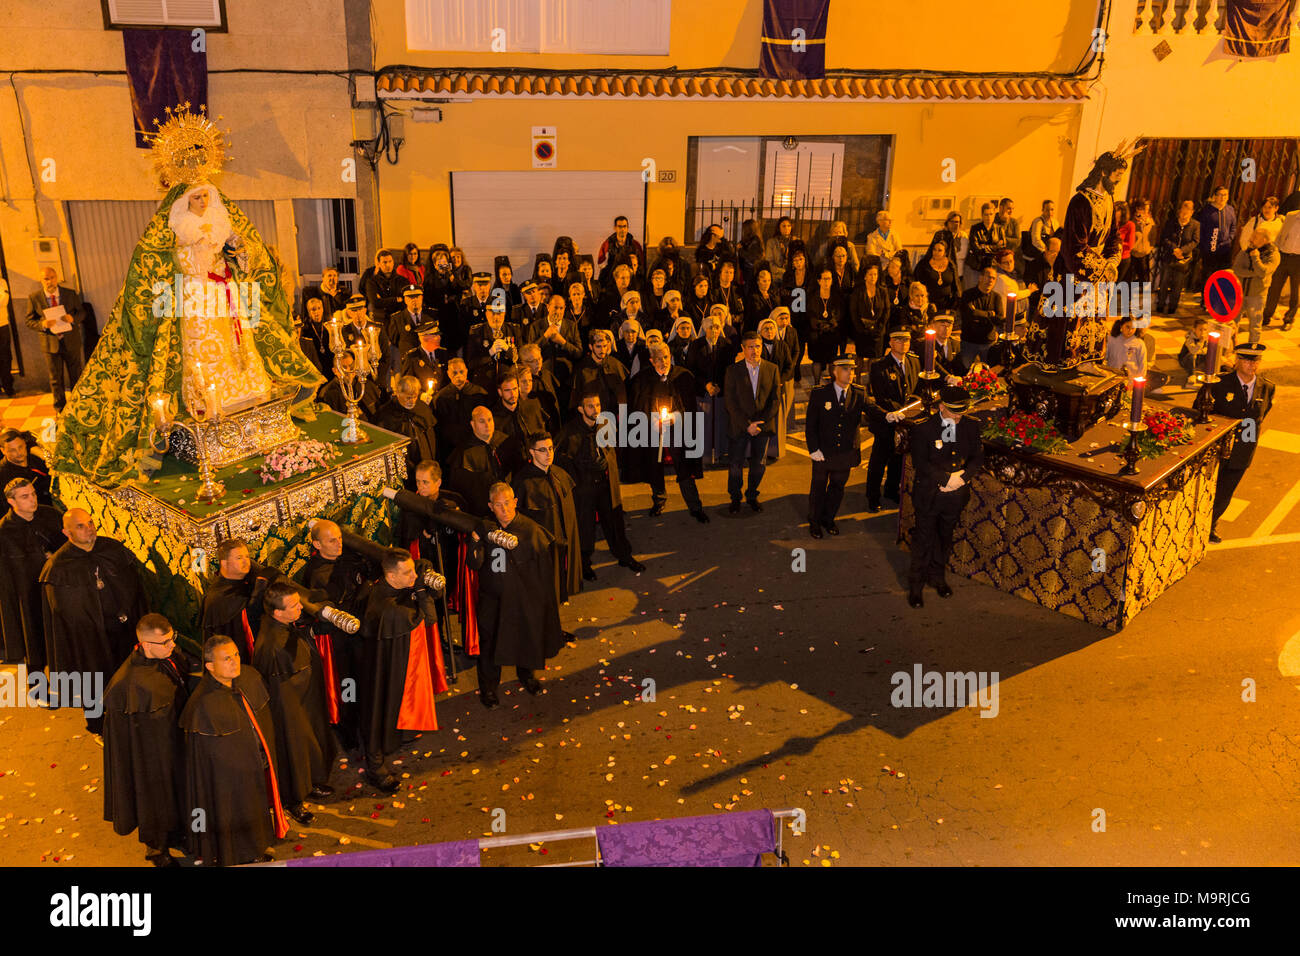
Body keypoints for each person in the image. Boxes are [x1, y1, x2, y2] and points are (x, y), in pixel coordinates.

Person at [179, 635, 288, 866]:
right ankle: (239, 854)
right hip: (226, 782)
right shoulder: (201, 705)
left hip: (254, 768)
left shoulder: (247, 679)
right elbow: (206, 762)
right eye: (226, 658)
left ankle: (254, 846)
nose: (235, 662)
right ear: (210, 666)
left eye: (236, 655)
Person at [40, 509, 147, 731]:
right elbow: (63, 612)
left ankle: (128, 717)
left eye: (90, 522)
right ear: (66, 532)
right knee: (92, 680)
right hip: (88, 639)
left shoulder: (111, 548)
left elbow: (134, 586)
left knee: (128, 675)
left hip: (122, 630)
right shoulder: (58, 567)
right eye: (80, 526)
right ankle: (97, 725)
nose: (89, 528)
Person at [102, 613, 194, 866]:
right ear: (144, 645)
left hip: (172, 744)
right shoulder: (127, 685)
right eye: (165, 642)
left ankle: (176, 834)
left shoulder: (168, 657)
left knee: (176, 793)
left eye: (171, 638)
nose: (172, 645)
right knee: (153, 799)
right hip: (148, 756)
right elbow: (124, 740)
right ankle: (156, 848)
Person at [467, 483, 565, 708]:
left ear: (515, 502)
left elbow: (544, 572)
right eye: (498, 505)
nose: (504, 509)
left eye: (508, 503)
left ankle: (527, 676)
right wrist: (474, 539)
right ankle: (489, 689)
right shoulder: (485, 528)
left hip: (522, 598)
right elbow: (473, 563)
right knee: (489, 642)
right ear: (491, 506)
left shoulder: (531, 530)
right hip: (492, 597)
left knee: (525, 635)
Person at [253, 581, 339, 825]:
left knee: (308, 747)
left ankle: (310, 783)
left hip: (303, 701)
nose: (300, 607)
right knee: (292, 753)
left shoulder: (285, 625)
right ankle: (293, 801)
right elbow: (276, 689)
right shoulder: (270, 645)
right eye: (293, 605)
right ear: (277, 613)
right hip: (288, 710)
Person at [358, 549, 444, 787]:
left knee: (394, 703)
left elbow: (421, 566)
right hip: (381, 666)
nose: (413, 576)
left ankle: (400, 734)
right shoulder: (389, 608)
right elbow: (428, 618)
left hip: (395, 656)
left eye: (414, 572)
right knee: (379, 707)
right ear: (391, 576)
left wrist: (423, 572)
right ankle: (375, 767)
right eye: (407, 573)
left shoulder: (394, 583)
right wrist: (419, 590)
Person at [556, 390, 655, 584]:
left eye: (598, 405)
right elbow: (559, 458)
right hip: (584, 487)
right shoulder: (569, 431)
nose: (595, 410)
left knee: (614, 520)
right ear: (580, 409)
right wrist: (582, 464)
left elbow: (611, 447)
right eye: (590, 406)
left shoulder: (605, 424)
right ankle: (584, 563)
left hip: (605, 484)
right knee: (585, 526)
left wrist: (605, 459)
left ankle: (624, 556)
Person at [301, 519, 376, 752]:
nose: (338, 544)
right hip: (339, 642)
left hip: (359, 632)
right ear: (317, 544)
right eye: (332, 541)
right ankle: (349, 731)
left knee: (364, 680)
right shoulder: (317, 573)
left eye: (340, 539)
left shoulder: (346, 558)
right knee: (348, 685)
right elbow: (332, 596)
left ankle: (365, 724)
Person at [907, 385, 983, 608]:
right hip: (930, 494)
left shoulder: (971, 426)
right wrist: (944, 479)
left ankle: (938, 578)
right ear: (941, 407)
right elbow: (920, 463)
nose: (958, 417)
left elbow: (977, 457)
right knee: (924, 539)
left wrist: (962, 478)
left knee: (944, 537)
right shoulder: (924, 429)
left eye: (961, 411)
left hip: (955, 495)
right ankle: (916, 585)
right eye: (953, 412)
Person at [627, 342, 706, 521]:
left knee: (684, 467)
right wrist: (650, 422)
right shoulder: (642, 380)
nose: (663, 362)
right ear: (651, 361)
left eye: (666, 357)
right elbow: (637, 409)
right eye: (658, 359)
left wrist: (676, 418)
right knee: (654, 466)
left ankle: (695, 506)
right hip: (653, 431)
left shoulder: (683, 376)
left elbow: (690, 408)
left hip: (678, 431)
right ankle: (659, 500)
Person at [1205, 343, 1274, 543]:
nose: (1252, 365)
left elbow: (1260, 415)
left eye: (1256, 360)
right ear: (1237, 361)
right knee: (1209, 487)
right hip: (1218, 446)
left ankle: (1211, 524)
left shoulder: (1267, 387)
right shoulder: (1219, 383)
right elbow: (1202, 410)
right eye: (1247, 360)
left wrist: (1247, 440)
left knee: (1225, 492)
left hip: (1243, 449)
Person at [513, 431, 586, 605]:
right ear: (531, 452)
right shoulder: (522, 482)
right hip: (542, 550)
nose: (549, 454)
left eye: (551, 449)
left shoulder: (560, 474)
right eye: (543, 450)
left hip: (563, 542)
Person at [0, 478, 62, 667]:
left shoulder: (51, 515)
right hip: (27, 596)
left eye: (33, 493)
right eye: (25, 496)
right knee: (33, 643)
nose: (33, 499)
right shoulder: (4, 531)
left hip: (57, 590)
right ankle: (38, 688)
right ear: (12, 501)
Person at [805, 354, 868, 538]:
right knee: (818, 488)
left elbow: (872, 409)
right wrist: (813, 449)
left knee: (837, 488)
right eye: (845, 369)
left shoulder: (858, 393)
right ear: (835, 371)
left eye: (852, 370)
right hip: (823, 452)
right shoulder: (820, 393)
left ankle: (828, 519)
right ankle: (815, 522)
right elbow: (811, 424)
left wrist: (889, 415)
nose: (850, 373)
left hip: (845, 452)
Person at [200, 538, 289, 662]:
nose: (246, 562)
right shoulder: (218, 598)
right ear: (224, 564)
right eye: (239, 558)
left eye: (247, 557)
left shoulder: (244, 581)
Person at [723, 332, 781, 514]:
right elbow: (730, 401)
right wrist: (747, 424)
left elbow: (775, 400)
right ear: (743, 348)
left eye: (757, 346)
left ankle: (752, 496)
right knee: (735, 465)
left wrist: (759, 424)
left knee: (759, 464)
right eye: (750, 347)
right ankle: (735, 497)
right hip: (740, 425)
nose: (754, 350)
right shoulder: (733, 370)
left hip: (762, 427)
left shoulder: (772, 369)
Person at [865, 327, 921, 512]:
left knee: (898, 459)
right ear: (890, 343)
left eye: (906, 341)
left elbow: (915, 390)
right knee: (878, 462)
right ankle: (873, 497)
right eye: (898, 340)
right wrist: (899, 411)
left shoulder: (914, 362)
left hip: (905, 422)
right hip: (886, 422)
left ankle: (891, 490)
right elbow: (881, 397)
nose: (903, 344)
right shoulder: (879, 366)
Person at [24, 267, 85, 412]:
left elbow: (82, 313)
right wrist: (42, 324)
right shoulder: (34, 297)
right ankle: (60, 409)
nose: (50, 281)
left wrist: (73, 319)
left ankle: (78, 406)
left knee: (76, 374)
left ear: (56, 278)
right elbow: (29, 321)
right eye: (46, 278)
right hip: (50, 344)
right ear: (41, 280)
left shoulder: (69, 294)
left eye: (52, 277)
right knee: (55, 379)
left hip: (71, 341)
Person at [686, 313, 736, 466]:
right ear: (704, 329)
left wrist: (720, 385)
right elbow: (691, 368)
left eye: (716, 327)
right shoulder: (696, 345)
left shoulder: (726, 344)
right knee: (703, 422)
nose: (714, 330)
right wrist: (705, 384)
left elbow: (729, 367)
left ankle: (720, 452)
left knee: (720, 422)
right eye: (710, 328)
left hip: (720, 391)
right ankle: (704, 454)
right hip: (702, 391)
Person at [446, 406, 511, 515]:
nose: (487, 425)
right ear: (473, 424)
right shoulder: (464, 452)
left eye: (489, 420)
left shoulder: (506, 442)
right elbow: (461, 489)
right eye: (482, 421)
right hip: (481, 510)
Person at [376, 375, 439, 485]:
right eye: (408, 397)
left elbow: (431, 436)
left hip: (424, 461)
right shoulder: (386, 413)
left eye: (415, 396)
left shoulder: (421, 407)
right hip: (403, 466)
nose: (412, 401)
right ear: (398, 394)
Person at [492, 370, 547, 474]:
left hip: (535, 466)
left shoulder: (532, 407)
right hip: (510, 471)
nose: (512, 394)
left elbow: (542, 433)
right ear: (500, 392)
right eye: (507, 390)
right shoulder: (493, 418)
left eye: (514, 389)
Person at [433, 358, 490, 458]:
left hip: (475, 445)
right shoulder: (441, 397)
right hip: (449, 449)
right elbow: (439, 428)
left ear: (467, 371)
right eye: (454, 372)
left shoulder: (479, 393)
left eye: (461, 372)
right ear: (448, 374)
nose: (458, 376)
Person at [1232, 227, 1279, 345]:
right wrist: (1253, 274)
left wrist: (1255, 258)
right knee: (1232, 323)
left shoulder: (1273, 254)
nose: (1251, 239)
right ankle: (1229, 348)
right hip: (1240, 292)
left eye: (1255, 237)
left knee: (1255, 326)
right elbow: (1237, 269)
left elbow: (1263, 272)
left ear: (1264, 239)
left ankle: (1252, 354)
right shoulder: (1246, 250)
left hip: (1257, 296)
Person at [466, 299, 521, 391]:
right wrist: (490, 353)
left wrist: (508, 349)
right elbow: (471, 363)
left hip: (508, 385)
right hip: (484, 384)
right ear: (486, 313)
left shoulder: (514, 330)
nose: (496, 317)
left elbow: (520, 360)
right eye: (492, 313)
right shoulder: (476, 332)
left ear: (504, 313)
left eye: (499, 313)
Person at [529, 293, 584, 384]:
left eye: (561, 308)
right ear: (548, 307)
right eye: (555, 307)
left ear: (565, 308)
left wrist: (563, 342)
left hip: (567, 377)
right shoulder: (536, 326)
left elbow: (578, 353)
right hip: (543, 376)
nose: (558, 311)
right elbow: (530, 353)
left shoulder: (571, 326)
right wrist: (545, 337)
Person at [1157, 200, 1200, 315]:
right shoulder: (1171, 223)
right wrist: (1174, 249)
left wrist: (1182, 250)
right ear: (1179, 211)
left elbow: (1195, 241)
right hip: (1169, 257)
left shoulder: (1195, 225)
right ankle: (1160, 305)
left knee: (1178, 284)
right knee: (1164, 282)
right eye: (1183, 210)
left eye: (1188, 210)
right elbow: (1165, 238)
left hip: (1183, 259)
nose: (1185, 213)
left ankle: (1172, 307)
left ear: (1192, 212)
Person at [569, 329, 628, 412]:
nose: (602, 350)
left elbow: (623, 396)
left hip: (612, 415)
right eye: (598, 346)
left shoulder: (615, 364)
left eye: (605, 346)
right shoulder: (581, 368)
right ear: (590, 346)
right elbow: (575, 399)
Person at [318, 348, 383, 422]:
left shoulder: (365, 383)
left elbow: (379, 412)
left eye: (351, 366)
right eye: (344, 367)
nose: (349, 371)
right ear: (335, 371)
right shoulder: (328, 393)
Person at [805, 267, 844, 386]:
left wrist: (831, 323)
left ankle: (833, 384)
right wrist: (819, 324)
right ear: (819, 281)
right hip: (816, 334)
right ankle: (816, 384)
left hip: (831, 333)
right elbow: (809, 313)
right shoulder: (812, 296)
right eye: (824, 279)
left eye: (829, 279)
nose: (827, 282)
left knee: (832, 360)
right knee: (816, 360)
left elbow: (840, 312)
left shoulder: (836, 296)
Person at [0, 428, 52, 516]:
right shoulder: (3, 476)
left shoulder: (35, 459)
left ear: (25, 443)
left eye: (20, 447)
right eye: (12, 450)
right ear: (3, 451)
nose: (19, 453)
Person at [1263, 208, 1300, 330]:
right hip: (1283, 256)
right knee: (1274, 287)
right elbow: (1281, 234)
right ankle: (1266, 315)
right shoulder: (1291, 215)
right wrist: (1275, 250)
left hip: (1298, 260)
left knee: (1295, 291)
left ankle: (1289, 319)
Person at [959, 265, 1003, 369]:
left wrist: (977, 313)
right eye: (988, 277)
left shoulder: (996, 297)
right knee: (965, 370)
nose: (991, 280)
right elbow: (968, 316)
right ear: (980, 277)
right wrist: (990, 314)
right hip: (969, 342)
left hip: (988, 343)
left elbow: (999, 320)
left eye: (993, 278)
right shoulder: (967, 295)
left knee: (989, 372)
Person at [848, 261, 889, 362]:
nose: (873, 277)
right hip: (862, 329)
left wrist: (880, 327)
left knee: (875, 357)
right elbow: (853, 312)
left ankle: (872, 377)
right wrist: (860, 328)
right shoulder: (858, 291)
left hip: (878, 330)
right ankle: (857, 377)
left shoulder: (882, 291)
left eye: (875, 274)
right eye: (870, 274)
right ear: (865, 276)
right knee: (860, 356)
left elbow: (887, 310)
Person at [1197, 186, 1238, 283]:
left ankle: (1218, 297)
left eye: (1225, 195)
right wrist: (1204, 246)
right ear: (1214, 196)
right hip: (1210, 249)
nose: (1222, 197)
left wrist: (1230, 239)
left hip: (1225, 249)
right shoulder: (1206, 211)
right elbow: (1200, 229)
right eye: (1220, 195)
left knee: (1222, 275)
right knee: (1208, 274)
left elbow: (1233, 226)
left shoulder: (1230, 209)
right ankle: (1206, 296)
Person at [387, 284, 435, 362]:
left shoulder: (432, 315)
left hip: (428, 360)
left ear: (422, 298)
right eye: (410, 297)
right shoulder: (397, 318)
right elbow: (394, 341)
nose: (414, 300)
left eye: (417, 297)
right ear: (405, 300)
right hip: (408, 361)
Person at [400, 321, 450, 394]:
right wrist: (421, 395)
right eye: (435, 335)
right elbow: (407, 383)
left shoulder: (444, 354)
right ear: (425, 338)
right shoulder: (412, 357)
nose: (439, 337)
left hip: (442, 398)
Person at [914, 315, 966, 380]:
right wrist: (948, 377)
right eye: (942, 325)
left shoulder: (955, 344)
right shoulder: (923, 344)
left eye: (949, 326)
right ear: (933, 326)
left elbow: (962, 363)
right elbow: (933, 365)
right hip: (933, 384)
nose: (946, 329)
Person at [915, 239, 960, 314]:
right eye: (934, 250)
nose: (936, 252)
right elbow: (917, 284)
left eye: (940, 250)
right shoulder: (923, 264)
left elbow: (955, 286)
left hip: (947, 305)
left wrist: (954, 304)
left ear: (945, 252)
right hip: (928, 304)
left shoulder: (951, 265)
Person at [965, 203, 1005, 284]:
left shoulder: (999, 229)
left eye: (991, 214)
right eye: (986, 214)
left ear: (994, 215)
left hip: (993, 266)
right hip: (977, 266)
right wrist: (995, 247)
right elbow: (976, 249)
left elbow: (1002, 248)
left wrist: (984, 247)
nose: (989, 217)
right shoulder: (975, 228)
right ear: (982, 215)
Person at [362, 249, 404, 323]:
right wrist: (396, 299)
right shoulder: (372, 282)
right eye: (384, 262)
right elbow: (375, 302)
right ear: (378, 264)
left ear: (393, 262)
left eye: (390, 261)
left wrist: (383, 300)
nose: (388, 265)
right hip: (381, 319)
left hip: (399, 318)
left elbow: (404, 300)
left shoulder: (402, 280)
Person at [1027, 200, 1061, 272]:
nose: (1050, 212)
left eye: (1052, 210)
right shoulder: (1038, 221)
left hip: (1050, 251)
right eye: (1047, 210)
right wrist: (1046, 251)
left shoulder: (1055, 222)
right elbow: (1036, 240)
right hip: (1039, 250)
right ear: (1043, 210)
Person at [0, 276, 17, 397]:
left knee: (5, 356)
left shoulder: (2, 283)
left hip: (2, 324)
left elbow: (4, 301)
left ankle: (8, 386)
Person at [764, 216, 794, 282]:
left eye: (789, 226)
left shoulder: (795, 241)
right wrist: (784, 272)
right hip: (777, 277)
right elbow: (769, 262)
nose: (787, 228)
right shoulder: (771, 242)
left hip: (792, 278)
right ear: (779, 228)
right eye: (784, 226)